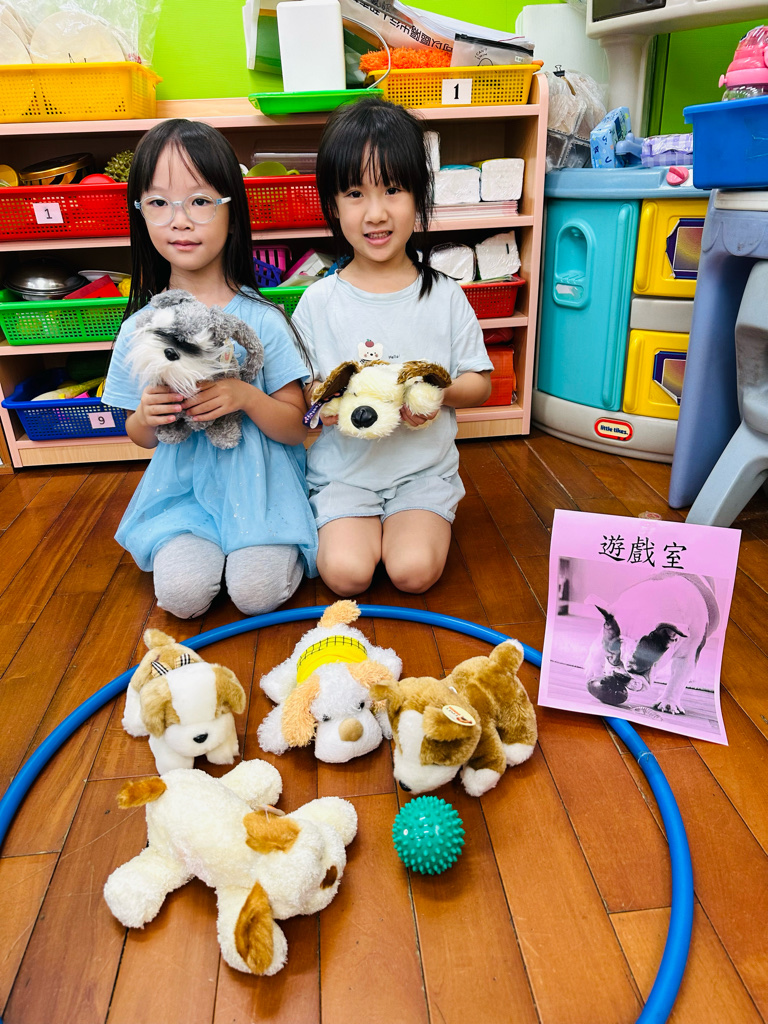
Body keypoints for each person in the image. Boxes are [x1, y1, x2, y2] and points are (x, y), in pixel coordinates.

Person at [102, 119, 317, 619]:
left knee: (256, 594)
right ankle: (205, 552)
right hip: (184, 498)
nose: (179, 221)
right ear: (140, 213)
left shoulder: (262, 320)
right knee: (181, 597)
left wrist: (246, 397)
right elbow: (139, 435)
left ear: (232, 213)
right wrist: (147, 416)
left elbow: (298, 427)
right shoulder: (141, 327)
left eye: (200, 201)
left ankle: (258, 554)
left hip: (263, 494)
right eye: (159, 203)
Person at [293, 97, 492, 597]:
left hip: (422, 475)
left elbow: (480, 383)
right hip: (343, 476)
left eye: (393, 190)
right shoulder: (318, 301)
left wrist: (436, 394)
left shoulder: (445, 295)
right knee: (346, 575)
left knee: (413, 572)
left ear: (419, 196)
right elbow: (301, 394)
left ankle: (415, 521)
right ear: (333, 205)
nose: (376, 213)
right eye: (355, 193)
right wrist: (324, 402)